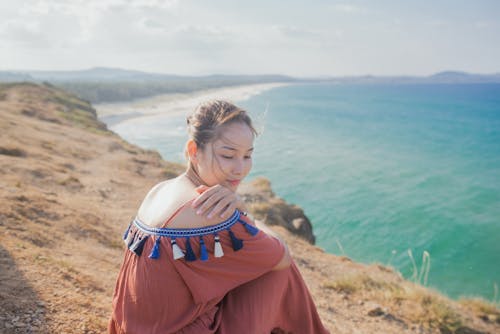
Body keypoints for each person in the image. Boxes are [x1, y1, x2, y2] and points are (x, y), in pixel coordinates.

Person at [108, 100, 329, 333]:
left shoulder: (160, 190)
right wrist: (243, 212)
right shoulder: (209, 209)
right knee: (279, 273)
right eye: (228, 155)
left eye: (247, 156)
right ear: (194, 150)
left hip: (132, 328)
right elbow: (282, 256)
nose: (240, 169)